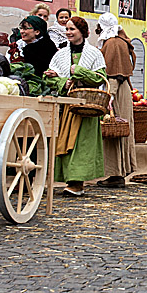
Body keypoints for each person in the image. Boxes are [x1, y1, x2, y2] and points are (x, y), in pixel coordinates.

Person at [46, 16, 108, 196]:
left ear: (82, 32)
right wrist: (62, 82)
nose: (68, 33)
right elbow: (49, 78)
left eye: (72, 29)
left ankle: (77, 183)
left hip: (87, 107)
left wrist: (79, 71)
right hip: (68, 106)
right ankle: (68, 179)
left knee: (82, 145)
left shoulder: (94, 54)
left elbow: (99, 78)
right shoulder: (60, 54)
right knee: (66, 141)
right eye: (67, 29)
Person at [96, 13, 137, 188]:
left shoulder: (113, 43)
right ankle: (118, 173)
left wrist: (109, 96)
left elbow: (115, 73)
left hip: (117, 90)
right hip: (122, 89)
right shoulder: (120, 41)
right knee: (120, 130)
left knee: (115, 129)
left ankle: (116, 173)